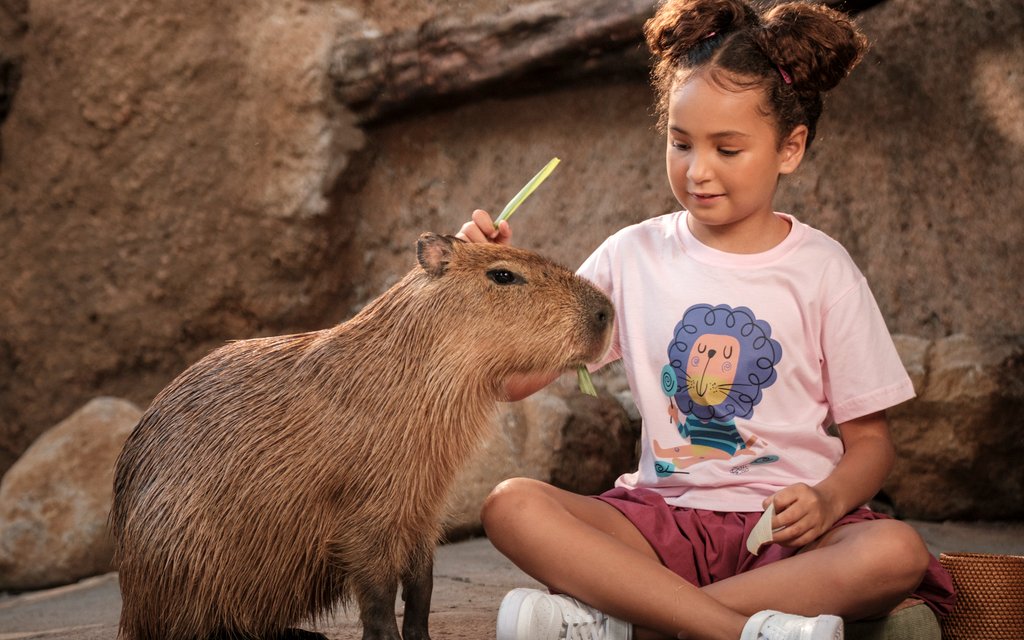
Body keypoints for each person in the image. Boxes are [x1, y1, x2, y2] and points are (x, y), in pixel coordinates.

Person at [456, 0, 956, 639]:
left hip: (785, 537)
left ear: (790, 148)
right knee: (510, 505)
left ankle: (635, 619)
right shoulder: (630, 255)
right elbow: (512, 381)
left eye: (728, 148)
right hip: (656, 524)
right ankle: (734, 629)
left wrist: (829, 500)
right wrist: (488, 286)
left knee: (895, 553)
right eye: (681, 142)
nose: (698, 171)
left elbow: (871, 444)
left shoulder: (824, 268)